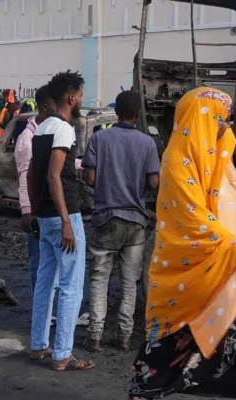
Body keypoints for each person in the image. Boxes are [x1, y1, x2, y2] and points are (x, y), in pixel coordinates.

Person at [128, 87, 236, 400]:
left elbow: (230, 212)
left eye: (227, 120)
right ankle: (143, 393)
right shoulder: (178, 162)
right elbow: (192, 219)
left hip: (223, 268)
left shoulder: (218, 161)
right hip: (185, 272)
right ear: (201, 118)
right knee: (167, 343)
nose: (226, 127)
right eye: (220, 119)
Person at [81, 91, 160, 353]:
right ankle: (124, 337)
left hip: (105, 219)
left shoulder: (100, 137)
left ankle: (94, 337)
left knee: (100, 279)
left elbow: (90, 179)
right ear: (137, 115)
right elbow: (153, 183)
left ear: (117, 112)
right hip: (136, 221)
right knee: (129, 284)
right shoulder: (147, 143)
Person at [27, 70, 93, 371]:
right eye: (80, 95)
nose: (81, 99)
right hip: (65, 216)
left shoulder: (41, 128)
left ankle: (39, 345)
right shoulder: (64, 129)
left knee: (45, 282)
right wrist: (67, 221)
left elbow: (31, 174)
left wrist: (36, 210)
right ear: (70, 97)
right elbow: (54, 175)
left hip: (45, 217)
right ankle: (63, 354)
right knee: (71, 286)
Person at [15, 85, 55, 292]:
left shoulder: (49, 132)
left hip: (50, 210)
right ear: (47, 107)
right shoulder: (27, 141)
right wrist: (27, 211)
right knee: (38, 261)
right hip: (36, 212)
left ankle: (49, 308)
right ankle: (41, 306)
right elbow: (24, 177)